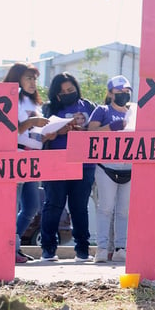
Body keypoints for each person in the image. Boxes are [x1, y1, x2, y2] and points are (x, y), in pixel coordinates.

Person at [40, 72, 97, 263]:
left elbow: (98, 131)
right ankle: (48, 250)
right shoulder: (48, 109)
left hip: (84, 163)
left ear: (76, 88)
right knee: (53, 205)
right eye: (62, 91)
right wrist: (58, 131)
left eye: (70, 90)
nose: (67, 93)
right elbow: (40, 135)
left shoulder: (88, 106)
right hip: (56, 162)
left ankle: (82, 250)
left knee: (79, 207)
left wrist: (84, 132)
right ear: (56, 94)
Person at [4, 63, 50, 263]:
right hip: (16, 155)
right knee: (12, 206)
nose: (33, 82)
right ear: (18, 79)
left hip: (33, 157)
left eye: (35, 79)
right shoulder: (11, 100)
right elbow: (9, 131)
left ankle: (13, 245)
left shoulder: (35, 103)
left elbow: (35, 134)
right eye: (28, 78)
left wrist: (52, 131)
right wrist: (32, 123)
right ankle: (8, 248)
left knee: (31, 207)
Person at [87, 75, 133, 263]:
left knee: (124, 210)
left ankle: (121, 248)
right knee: (105, 208)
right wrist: (111, 127)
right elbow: (90, 133)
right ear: (110, 93)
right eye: (119, 91)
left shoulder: (133, 113)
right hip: (106, 165)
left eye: (126, 91)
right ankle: (102, 248)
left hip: (129, 165)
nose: (123, 94)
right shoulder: (102, 110)